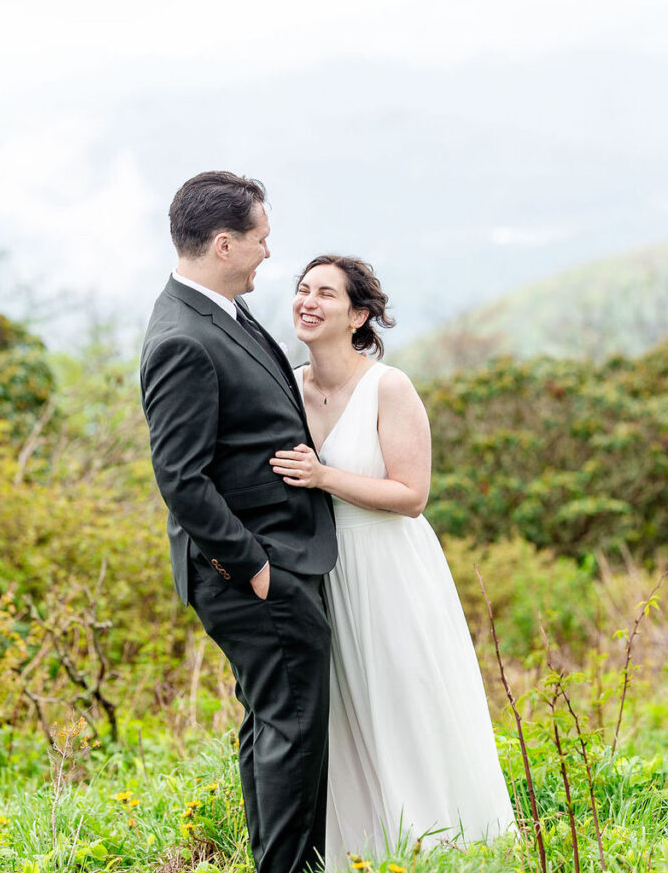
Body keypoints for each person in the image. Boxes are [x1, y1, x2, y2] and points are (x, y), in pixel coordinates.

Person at [269, 255, 515, 868]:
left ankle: (441, 840)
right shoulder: (288, 385)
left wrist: (323, 475)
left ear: (358, 315)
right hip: (322, 572)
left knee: (406, 699)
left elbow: (412, 496)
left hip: (389, 566)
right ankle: (368, 848)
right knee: (347, 711)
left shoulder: (389, 386)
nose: (308, 300)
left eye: (326, 293)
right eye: (303, 289)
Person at [140, 173, 337, 873]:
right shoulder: (182, 339)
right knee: (293, 728)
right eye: (259, 241)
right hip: (249, 568)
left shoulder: (220, 309)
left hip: (275, 556)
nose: (265, 255)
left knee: (272, 721)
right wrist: (253, 570)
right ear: (224, 244)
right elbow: (181, 481)